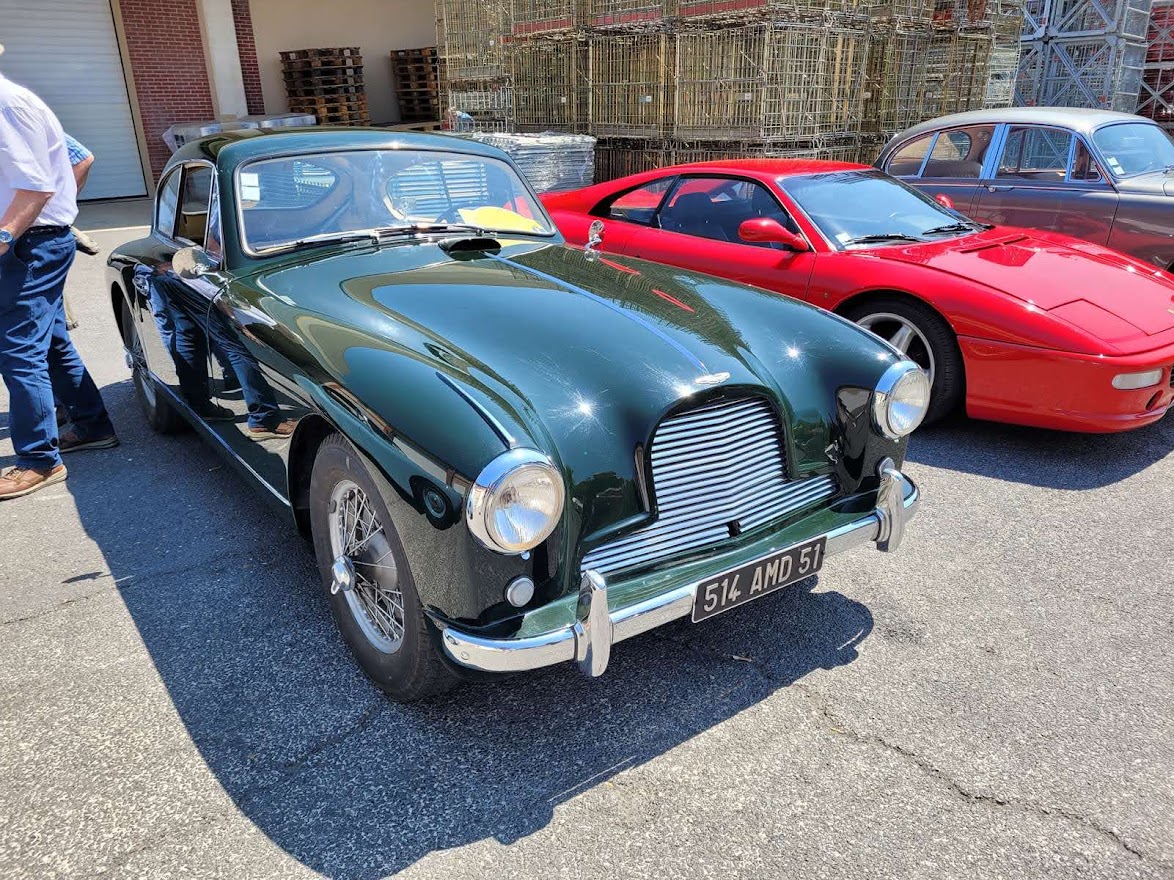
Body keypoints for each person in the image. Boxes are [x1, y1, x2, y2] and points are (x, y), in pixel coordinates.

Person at [0, 47, 118, 501]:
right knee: (47, 341)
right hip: (32, 239)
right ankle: (91, 426)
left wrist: (11, 235)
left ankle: (39, 460)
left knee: (19, 351)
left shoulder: (8, 104)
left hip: (27, 243)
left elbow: (37, 185)